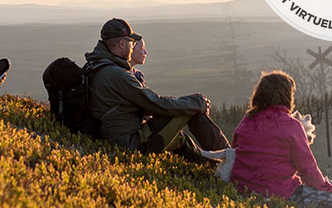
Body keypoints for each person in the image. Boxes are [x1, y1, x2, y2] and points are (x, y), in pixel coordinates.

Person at [84, 18, 230, 162]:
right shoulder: (116, 74)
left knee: (179, 139)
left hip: (116, 139)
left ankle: (213, 168)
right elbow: (155, 104)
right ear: (122, 44)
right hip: (130, 145)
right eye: (132, 43)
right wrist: (198, 102)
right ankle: (233, 161)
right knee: (191, 108)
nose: (132, 46)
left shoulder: (97, 66)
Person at [228, 71, 332, 208]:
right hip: (281, 193)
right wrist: (329, 190)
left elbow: (235, 151)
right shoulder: (291, 126)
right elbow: (308, 170)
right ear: (287, 97)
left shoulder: (246, 121)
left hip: (243, 189)